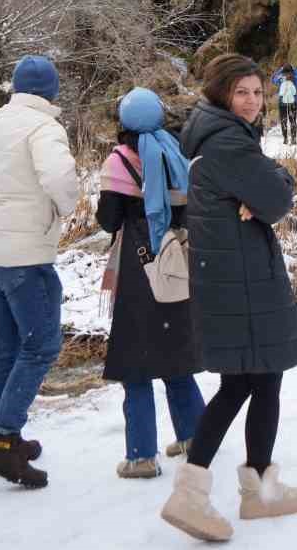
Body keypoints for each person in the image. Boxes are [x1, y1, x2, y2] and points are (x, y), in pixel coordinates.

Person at [162, 53, 297, 543]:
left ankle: (260, 487)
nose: (251, 101)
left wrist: (272, 185)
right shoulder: (229, 142)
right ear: (221, 94)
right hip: (240, 281)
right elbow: (278, 198)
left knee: (263, 377)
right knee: (242, 385)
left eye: (256, 91)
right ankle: (191, 492)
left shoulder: (219, 136)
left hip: (236, 276)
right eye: (241, 92)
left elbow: (270, 190)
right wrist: (275, 186)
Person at [0, 56, 77, 488]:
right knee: (42, 346)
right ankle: (3, 441)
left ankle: (5, 439)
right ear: (52, 91)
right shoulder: (44, 127)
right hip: (24, 255)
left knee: (7, 347)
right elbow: (59, 178)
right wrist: (64, 206)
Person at [96, 88, 205, 479]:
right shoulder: (176, 152)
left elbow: (108, 220)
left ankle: (141, 456)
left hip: (138, 269)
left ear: (123, 122)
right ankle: (195, 438)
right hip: (177, 265)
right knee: (176, 355)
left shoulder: (120, 161)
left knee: (136, 362)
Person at [275, 66, 297, 145]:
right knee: (293, 120)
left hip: (282, 102)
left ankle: (285, 138)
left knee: (283, 120)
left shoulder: (280, 79)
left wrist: (280, 70)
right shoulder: (295, 78)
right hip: (293, 102)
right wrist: (294, 70)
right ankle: (293, 139)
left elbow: (273, 78)